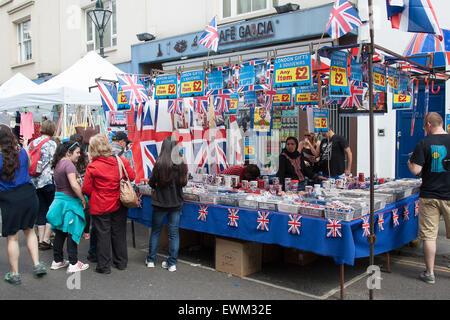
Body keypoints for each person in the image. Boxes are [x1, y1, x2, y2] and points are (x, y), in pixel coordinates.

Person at [0, 124, 47, 285]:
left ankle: (15, 274)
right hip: (28, 195)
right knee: (30, 231)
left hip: (9, 199)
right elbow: (26, 170)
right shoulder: (23, 153)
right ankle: (37, 265)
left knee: (12, 237)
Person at [82, 134, 136, 274]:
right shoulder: (121, 161)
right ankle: (121, 262)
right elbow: (132, 176)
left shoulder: (92, 166)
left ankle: (104, 266)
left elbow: (86, 189)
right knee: (119, 233)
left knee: (103, 234)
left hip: (100, 205)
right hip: (119, 203)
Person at [408, 112, 450, 284]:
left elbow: (416, 171)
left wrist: (410, 160)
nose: (425, 129)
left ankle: (430, 273)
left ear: (429, 125)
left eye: (425, 126)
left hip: (430, 195)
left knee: (429, 236)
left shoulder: (423, 143)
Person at [145, 137, 188, 272]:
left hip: (160, 203)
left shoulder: (159, 163)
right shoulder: (181, 163)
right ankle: (172, 263)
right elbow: (183, 182)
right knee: (173, 234)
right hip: (175, 203)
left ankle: (151, 260)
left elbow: (151, 182)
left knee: (156, 231)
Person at [46, 141, 89, 273]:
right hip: (70, 204)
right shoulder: (68, 164)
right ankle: (74, 263)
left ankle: (57, 260)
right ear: (68, 152)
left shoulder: (58, 163)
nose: (79, 155)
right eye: (77, 152)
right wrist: (83, 199)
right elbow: (74, 185)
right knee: (72, 232)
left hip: (59, 202)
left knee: (60, 232)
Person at [29, 120, 58, 250]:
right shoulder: (53, 144)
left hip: (35, 181)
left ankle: (40, 239)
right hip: (48, 180)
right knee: (51, 210)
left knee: (40, 210)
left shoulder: (33, 143)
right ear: (53, 130)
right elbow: (56, 162)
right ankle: (46, 239)